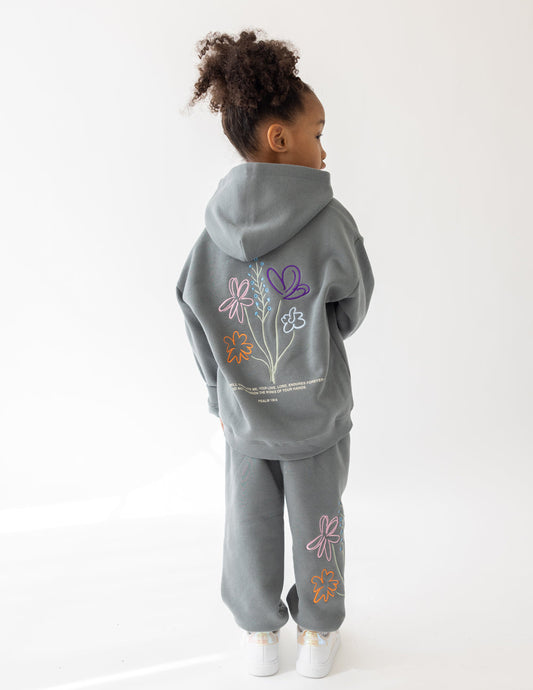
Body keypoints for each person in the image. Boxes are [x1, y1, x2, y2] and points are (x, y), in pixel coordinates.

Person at [176, 29, 375, 678]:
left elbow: (193, 308)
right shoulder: (331, 221)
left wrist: (219, 393)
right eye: (318, 132)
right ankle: (317, 635)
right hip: (315, 417)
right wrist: (317, 338)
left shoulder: (210, 235)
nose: (324, 148)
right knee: (320, 524)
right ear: (279, 138)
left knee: (249, 527)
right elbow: (353, 304)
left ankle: (259, 636)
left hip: (245, 421)